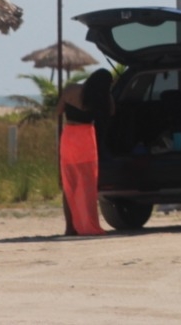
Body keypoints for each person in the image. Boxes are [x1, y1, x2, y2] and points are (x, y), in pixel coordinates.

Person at [57, 68, 114, 236]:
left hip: (69, 137)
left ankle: (70, 227)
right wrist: (107, 94)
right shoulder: (101, 97)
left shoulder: (71, 89)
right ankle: (87, 224)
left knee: (70, 184)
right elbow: (112, 112)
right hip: (86, 138)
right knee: (87, 185)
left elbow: (58, 111)